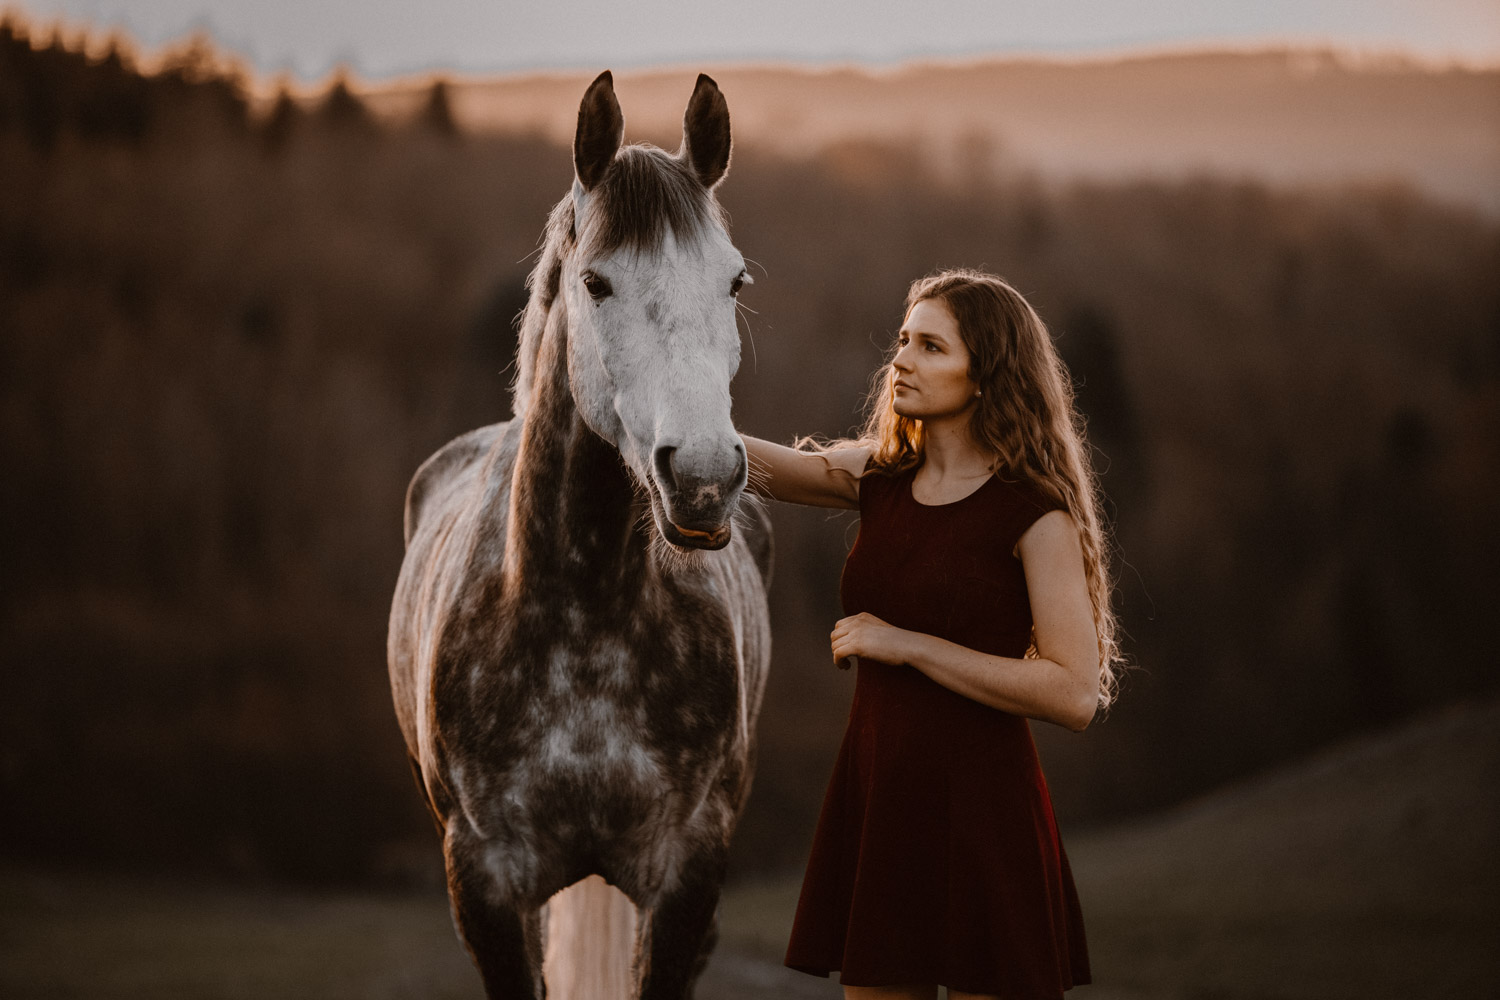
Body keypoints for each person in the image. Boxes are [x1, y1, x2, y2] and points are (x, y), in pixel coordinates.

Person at [741, 268, 1121, 1000]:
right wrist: (660, 412)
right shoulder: (880, 479)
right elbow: (760, 467)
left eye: (932, 347)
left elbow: (1074, 693)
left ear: (987, 374)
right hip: (880, 801)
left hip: (985, 816)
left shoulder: (1035, 514)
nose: (903, 361)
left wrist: (906, 644)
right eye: (904, 341)